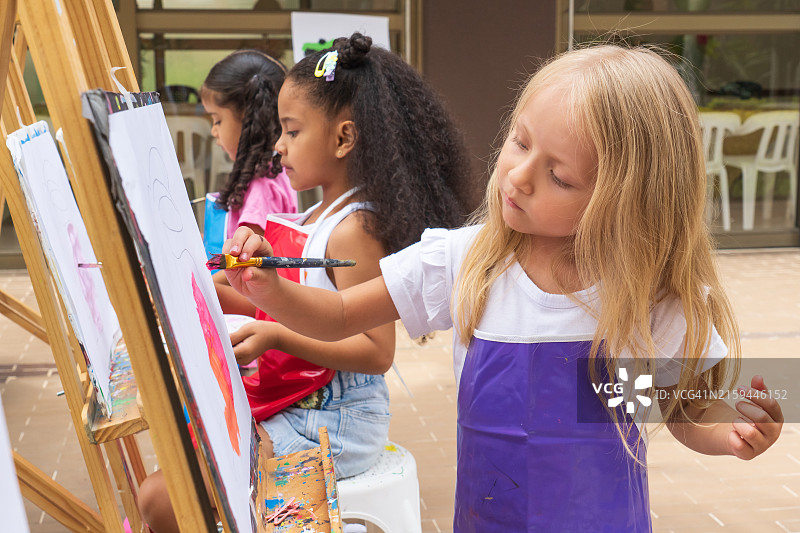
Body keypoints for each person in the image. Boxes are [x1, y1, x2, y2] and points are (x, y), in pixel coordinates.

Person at [222, 45, 784, 531]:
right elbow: (342, 311)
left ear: (624, 206)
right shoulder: (465, 262)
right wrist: (270, 290)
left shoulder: (644, 300)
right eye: (519, 143)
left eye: (559, 176)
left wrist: (732, 430)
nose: (517, 175)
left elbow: (677, 409)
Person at [139, 33, 471, 532]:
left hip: (339, 421)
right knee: (170, 487)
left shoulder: (353, 229)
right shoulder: (318, 215)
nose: (278, 145)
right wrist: (226, 286)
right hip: (305, 405)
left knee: (170, 498)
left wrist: (273, 334)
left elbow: (377, 351)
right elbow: (293, 309)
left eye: (292, 131)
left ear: (343, 138)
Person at [200, 49, 297, 239]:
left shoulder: (261, 190)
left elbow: (247, 265)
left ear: (248, 119)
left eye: (217, 120)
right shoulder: (276, 170)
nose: (213, 131)